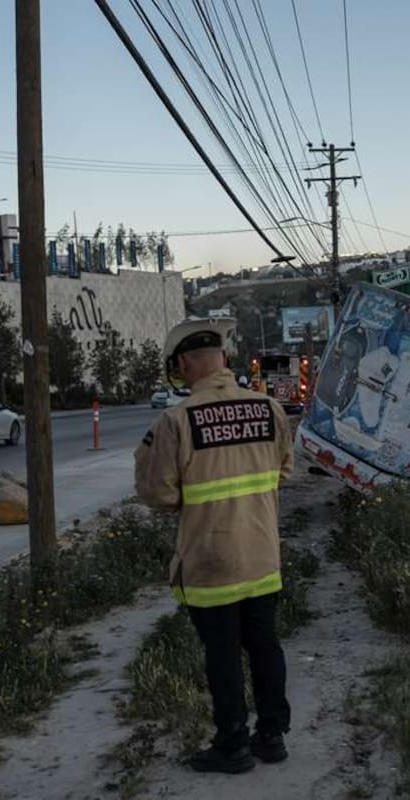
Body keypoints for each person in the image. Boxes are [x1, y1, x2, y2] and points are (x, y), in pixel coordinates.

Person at [134, 319, 295, 774]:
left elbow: (159, 494)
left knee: (222, 654)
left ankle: (232, 744)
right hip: (263, 554)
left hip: (210, 562)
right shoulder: (269, 409)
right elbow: (284, 471)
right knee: (264, 645)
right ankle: (272, 736)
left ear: (184, 364)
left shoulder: (175, 420)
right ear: (223, 359)